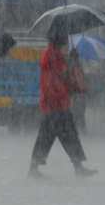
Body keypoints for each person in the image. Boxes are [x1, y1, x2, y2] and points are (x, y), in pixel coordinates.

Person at [28, 33, 97, 179]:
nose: (67, 48)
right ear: (59, 46)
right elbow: (51, 85)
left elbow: (66, 81)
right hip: (53, 108)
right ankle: (34, 169)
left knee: (62, 136)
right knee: (52, 138)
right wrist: (64, 92)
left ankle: (77, 167)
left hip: (60, 106)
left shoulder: (59, 59)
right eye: (65, 46)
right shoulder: (51, 59)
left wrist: (73, 63)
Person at [68, 48, 87, 134]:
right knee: (80, 114)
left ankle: (76, 132)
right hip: (80, 93)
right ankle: (82, 131)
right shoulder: (78, 66)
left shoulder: (71, 65)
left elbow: (72, 80)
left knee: (75, 114)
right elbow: (81, 80)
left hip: (74, 93)